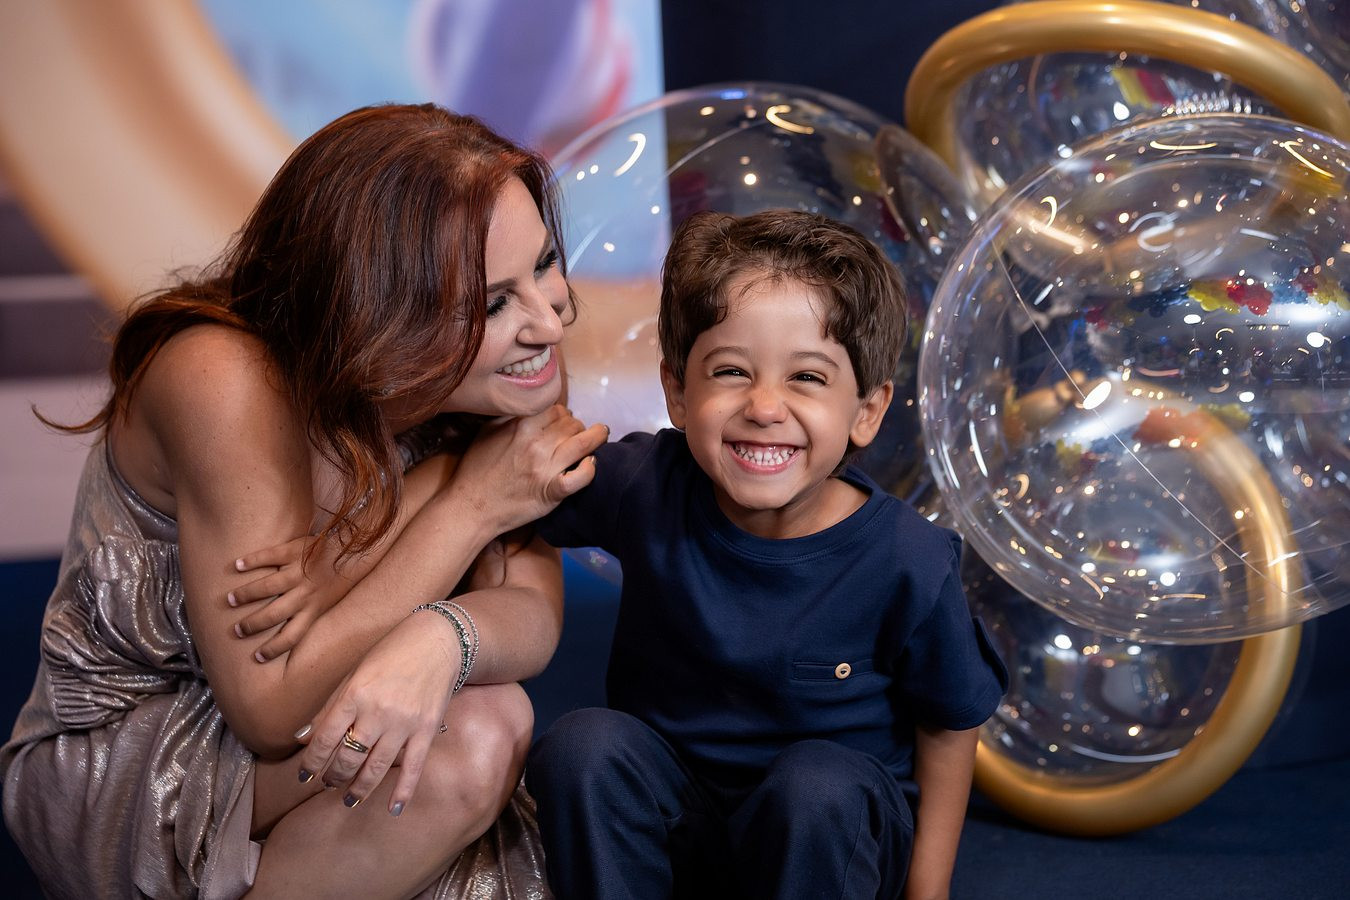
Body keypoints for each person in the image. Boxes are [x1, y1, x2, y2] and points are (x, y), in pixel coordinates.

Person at [1, 103, 607, 899]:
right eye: (492, 303)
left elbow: (530, 611)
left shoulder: (507, 377)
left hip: (350, 715)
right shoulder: (221, 377)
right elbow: (271, 706)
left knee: (489, 737)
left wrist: (442, 637)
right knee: (480, 737)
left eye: (545, 264)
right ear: (380, 308)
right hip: (147, 757)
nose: (548, 321)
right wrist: (469, 505)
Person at [526, 209, 1009, 899]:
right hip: (681, 827)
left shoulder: (910, 559)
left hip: (829, 842)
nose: (763, 406)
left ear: (866, 412)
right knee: (583, 746)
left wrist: (926, 894)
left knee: (817, 785)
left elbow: (951, 724)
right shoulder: (646, 485)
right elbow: (515, 488)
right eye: (730, 371)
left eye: (807, 378)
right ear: (677, 392)